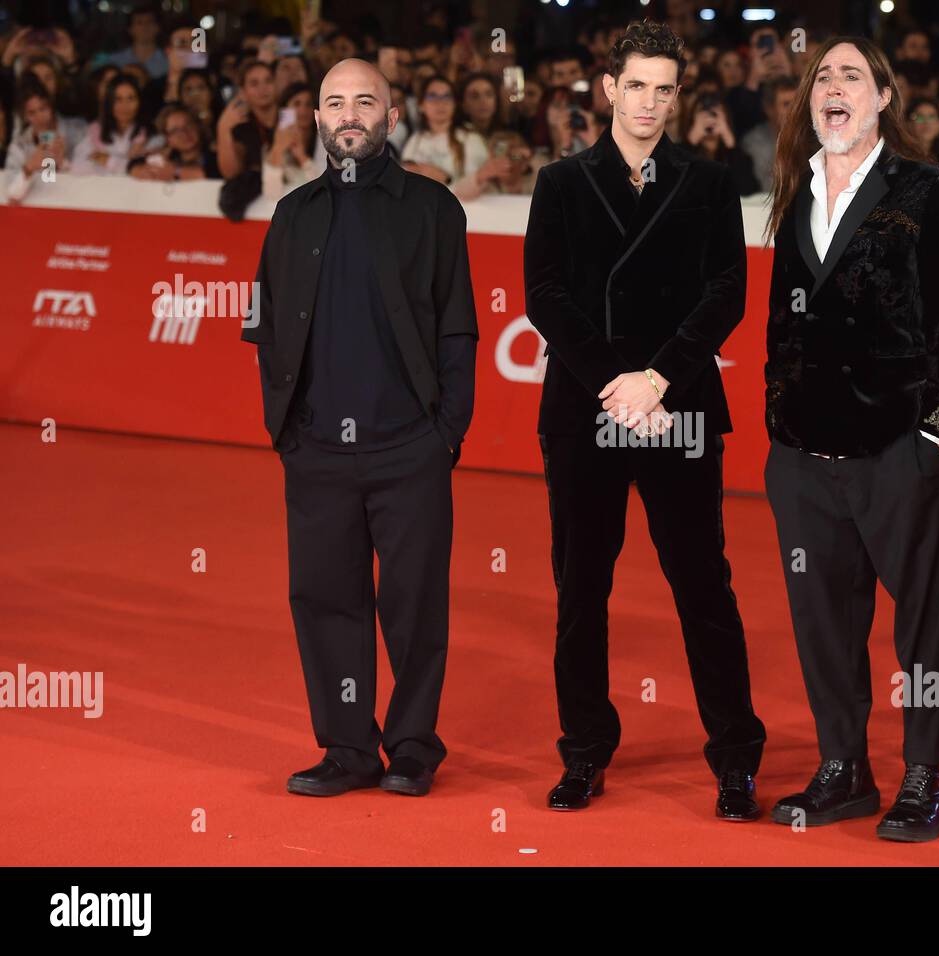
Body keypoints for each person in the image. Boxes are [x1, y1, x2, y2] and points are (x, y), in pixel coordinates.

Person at [523, 19, 766, 821]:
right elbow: (544, 296)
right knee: (580, 589)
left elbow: (725, 292)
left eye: (666, 88)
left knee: (703, 585)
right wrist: (616, 385)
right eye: (638, 86)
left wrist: (657, 380)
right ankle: (585, 749)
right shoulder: (560, 183)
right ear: (608, 90)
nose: (651, 102)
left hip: (680, 408)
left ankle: (736, 758)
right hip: (586, 410)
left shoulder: (708, 180)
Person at [241, 57, 478, 799]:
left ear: (392, 116)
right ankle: (347, 747)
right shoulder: (292, 214)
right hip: (316, 452)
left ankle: (411, 746)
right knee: (327, 602)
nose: (349, 114)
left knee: (414, 606)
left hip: (409, 447)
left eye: (364, 102)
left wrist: (445, 434)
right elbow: (266, 324)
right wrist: (285, 428)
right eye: (334, 103)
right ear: (316, 119)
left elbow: (458, 333)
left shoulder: (434, 212)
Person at [762, 36, 939, 843]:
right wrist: (781, 422)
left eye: (853, 74)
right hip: (804, 459)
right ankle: (844, 769)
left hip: (898, 448)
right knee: (822, 619)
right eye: (823, 75)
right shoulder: (794, 187)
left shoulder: (924, 188)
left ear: (884, 98)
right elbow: (785, 321)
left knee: (920, 619)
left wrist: (937, 431)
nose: (834, 85)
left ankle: (925, 775)